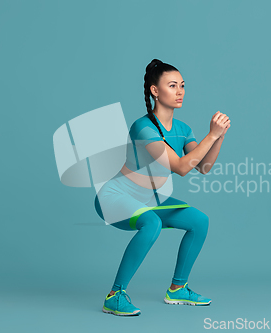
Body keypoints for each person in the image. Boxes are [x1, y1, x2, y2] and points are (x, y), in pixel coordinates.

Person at [95, 59, 230, 316]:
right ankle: (115, 295)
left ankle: (178, 289)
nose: (180, 91)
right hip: (115, 197)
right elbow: (180, 167)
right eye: (172, 85)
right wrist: (210, 136)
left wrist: (219, 137)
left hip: (148, 199)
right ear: (155, 91)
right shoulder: (143, 128)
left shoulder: (182, 129)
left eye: (182, 85)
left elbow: (203, 167)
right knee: (152, 223)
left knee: (199, 221)